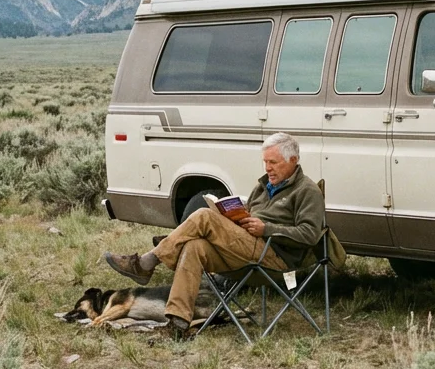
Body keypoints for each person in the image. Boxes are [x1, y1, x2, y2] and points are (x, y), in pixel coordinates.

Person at [103, 132, 324, 337]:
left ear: (293, 160)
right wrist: (237, 217)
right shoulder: (264, 187)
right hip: (248, 248)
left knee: (203, 216)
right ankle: (178, 323)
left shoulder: (307, 191)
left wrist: (266, 228)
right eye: (265, 162)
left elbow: (310, 234)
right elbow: (253, 215)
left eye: (273, 162)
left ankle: (147, 262)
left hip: (275, 257)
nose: (267, 168)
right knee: (194, 247)